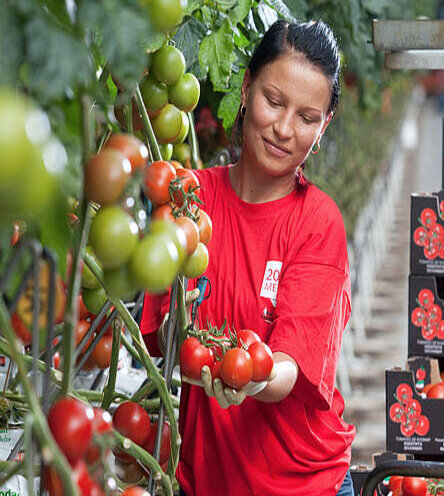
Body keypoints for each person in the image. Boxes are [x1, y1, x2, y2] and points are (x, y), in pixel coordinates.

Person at [140, 19, 355, 496]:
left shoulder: (318, 223)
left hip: (305, 485)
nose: (283, 129)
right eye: (274, 102)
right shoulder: (188, 202)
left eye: (306, 117)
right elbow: (167, 342)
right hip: (207, 481)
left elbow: (287, 369)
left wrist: (250, 377)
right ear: (246, 88)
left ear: (324, 126)